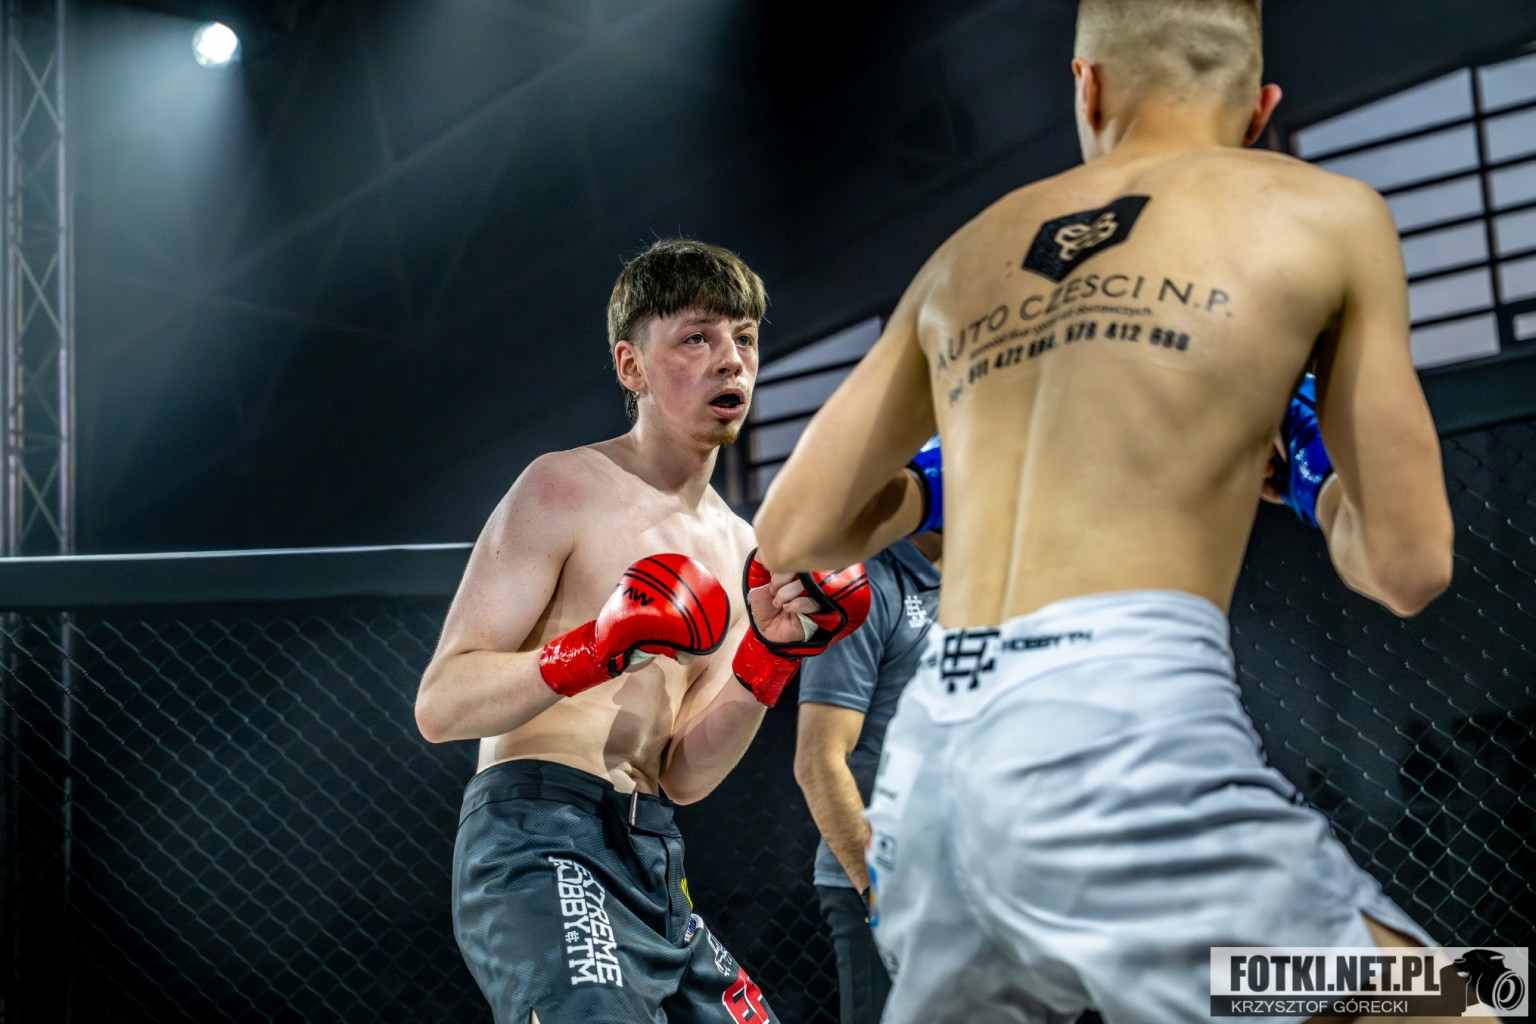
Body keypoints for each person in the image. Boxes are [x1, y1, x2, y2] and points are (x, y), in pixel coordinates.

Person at [751, 0, 1467, 1021]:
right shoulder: (1323, 212)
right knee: (1447, 997)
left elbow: (791, 531)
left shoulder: (968, 251)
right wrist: (1311, 472)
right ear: (1261, 109)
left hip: (933, 779)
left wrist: (946, 481)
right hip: (1120, 734)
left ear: (1085, 86)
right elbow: (1409, 562)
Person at [414, 238, 870, 1024]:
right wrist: (594, 649)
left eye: (744, 338)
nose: (731, 359)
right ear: (631, 367)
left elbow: (684, 774)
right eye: (697, 337)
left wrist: (771, 659)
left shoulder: (742, 550)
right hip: (538, 835)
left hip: (652, 849)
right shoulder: (564, 485)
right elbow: (441, 705)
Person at [792, 520, 942, 1024]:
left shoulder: (989, 584)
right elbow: (818, 760)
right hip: (884, 882)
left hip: (973, 879)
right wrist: (881, 895)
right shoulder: (865, 584)